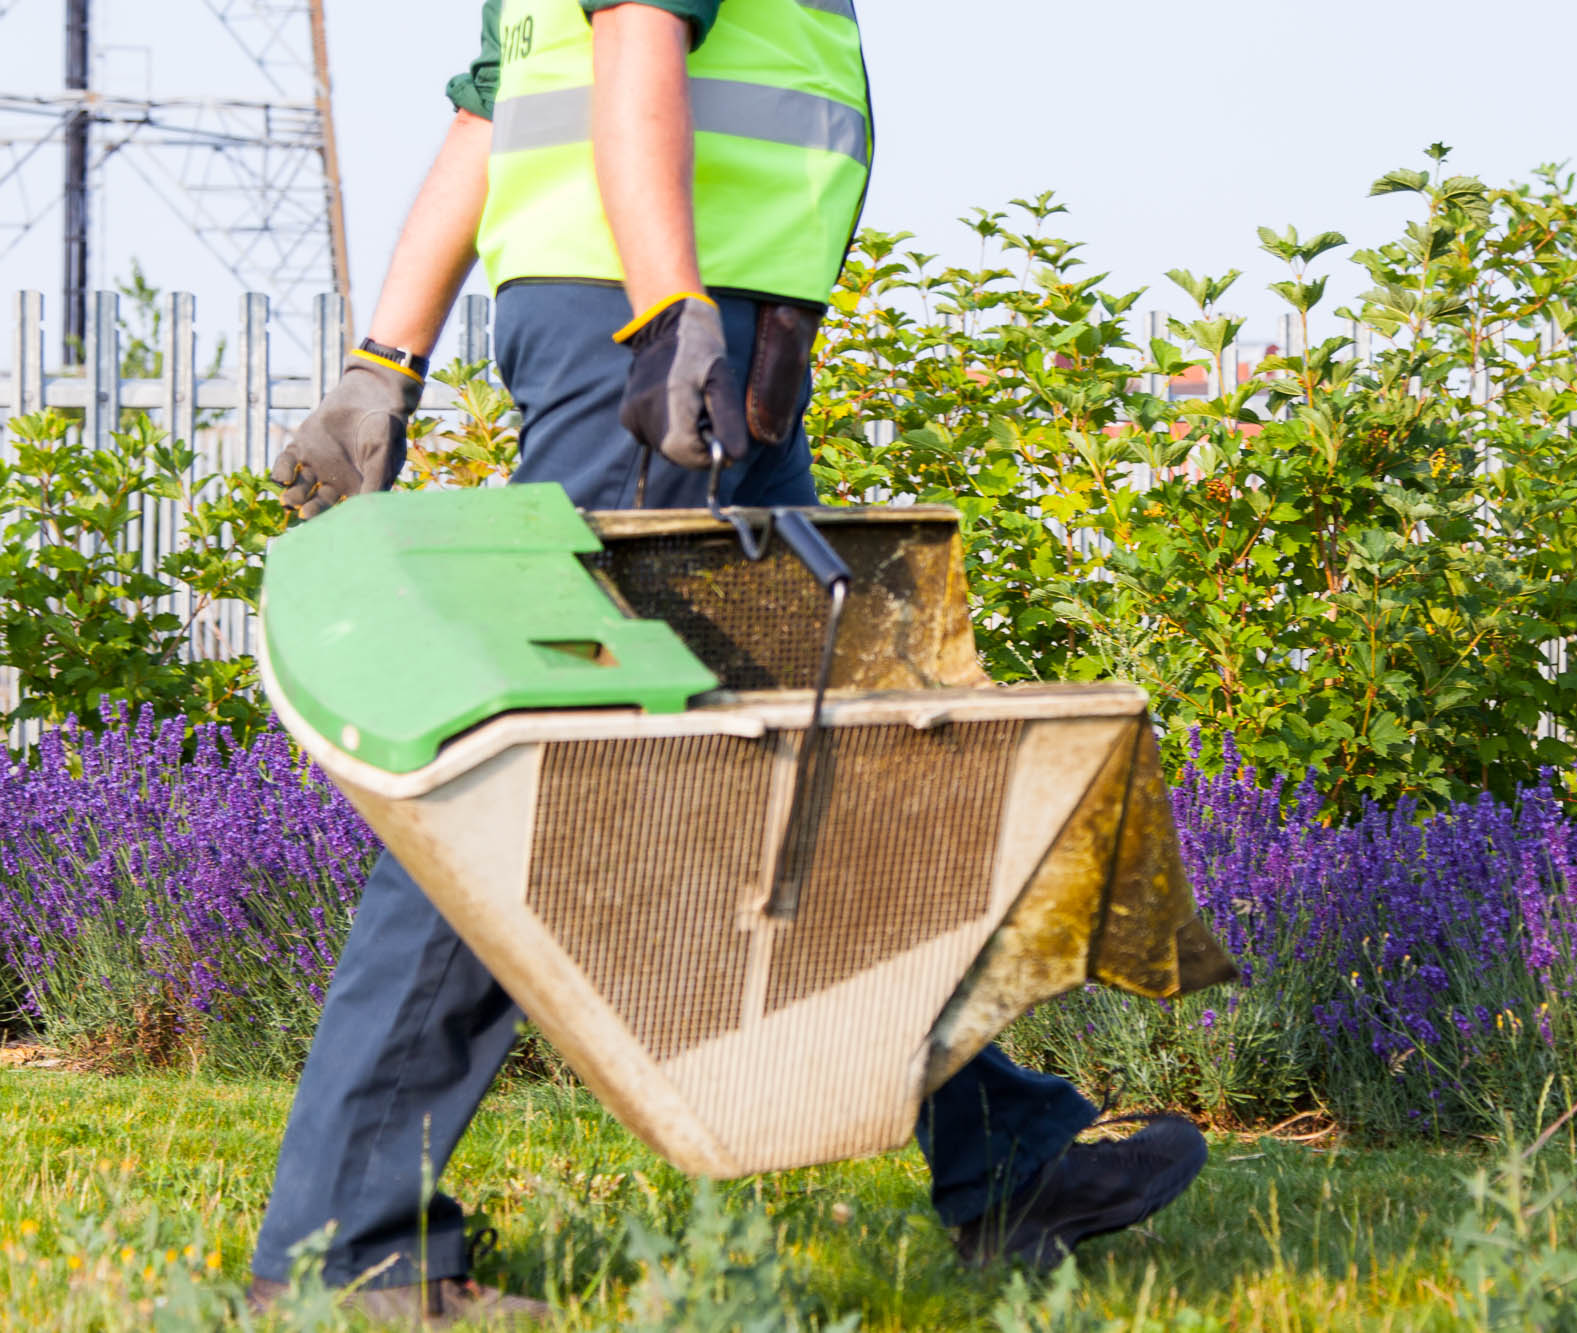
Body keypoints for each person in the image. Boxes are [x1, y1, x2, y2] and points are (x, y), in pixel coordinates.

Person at [248, 0, 1207, 1322]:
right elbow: (632, 42)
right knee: (522, 782)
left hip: (709, 337)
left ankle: (1004, 1156)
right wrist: (667, 309)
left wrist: (383, 363)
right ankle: (343, 1246)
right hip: (653, 336)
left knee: (833, 765)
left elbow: (491, 107)